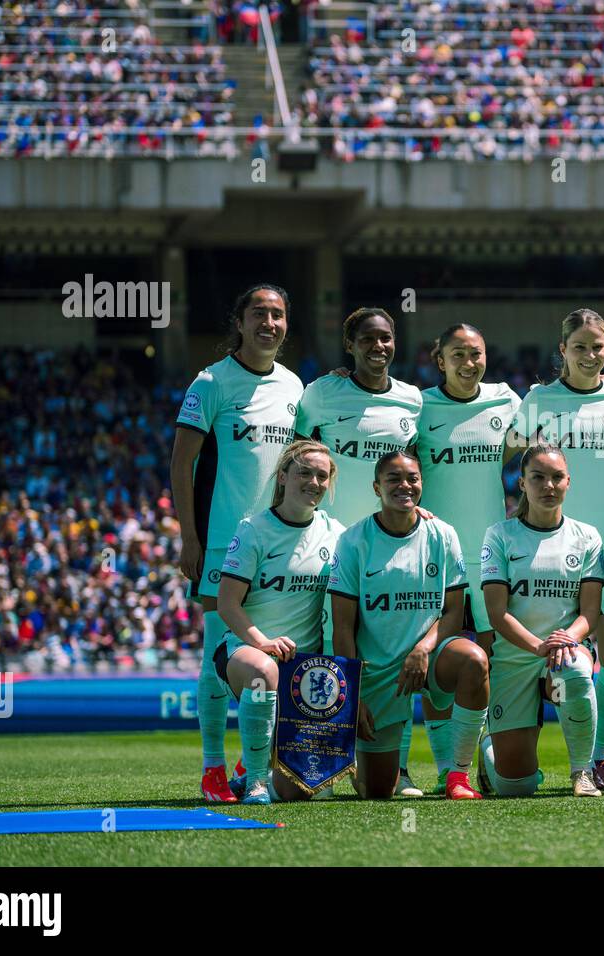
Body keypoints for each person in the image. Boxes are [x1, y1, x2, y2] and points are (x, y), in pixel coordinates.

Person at [171, 284, 302, 803]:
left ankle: (256, 768)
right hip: (223, 544)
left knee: (270, 657)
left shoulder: (297, 387)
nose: (269, 322)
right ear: (240, 322)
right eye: (259, 314)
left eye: (278, 314)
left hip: (282, 545)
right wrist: (188, 535)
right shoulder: (211, 383)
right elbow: (182, 463)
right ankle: (211, 768)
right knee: (213, 657)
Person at [507, 309, 604, 790]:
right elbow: (509, 454)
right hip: (544, 547)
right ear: (562, 350)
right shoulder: (538, 399)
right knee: (535, 656)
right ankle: (499, 748)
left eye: (598, 346)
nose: (590, 355)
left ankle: (599, 761)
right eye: (580, 347)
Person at [296, 307, 426, 795]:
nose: (379, 346)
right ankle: (326, 761)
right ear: (349, 346)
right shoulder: (321, 393)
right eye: (368, 339)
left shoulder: (412, 399)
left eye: (387, 338)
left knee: (394, 653)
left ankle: (401, 768)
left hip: (390, 542)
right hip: (332, 541)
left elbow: (415, 469)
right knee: (331, 649)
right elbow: (298, 455)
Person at [328, 451, 490, 800]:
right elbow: (342, 628)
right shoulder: (354, 541)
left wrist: (422, 648)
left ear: (422, 483)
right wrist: (351, 695)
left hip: (431, 657)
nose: (405, 485)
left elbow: (453, 612)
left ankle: (457, 775)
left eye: (412, 478)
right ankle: (358, 764)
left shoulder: (442, 534)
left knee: (474, 659)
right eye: (393, 479)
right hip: (379, 671)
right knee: (376, 791)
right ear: (377, 487)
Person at [414, 323, 522, 792]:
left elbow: (558, 415)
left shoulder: (507, 401)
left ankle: (481, 758)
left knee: (490, 658)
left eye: (475, 353)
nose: (468, 362)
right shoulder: (418, 406)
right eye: (457, 354)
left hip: (492, 554)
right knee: (442, 658)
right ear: (440, 360)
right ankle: (445, 768)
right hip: (436, 555)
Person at [214, 440, 344, 804]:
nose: (314, 481)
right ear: (283, 476)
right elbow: (226, 603)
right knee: (262, 670)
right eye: (305, 472)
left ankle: (257, 770)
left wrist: (419, 514)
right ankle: (255, 783)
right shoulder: (253, 530)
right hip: (247, 653)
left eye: (322, 475)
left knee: (303, 791)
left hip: (307, 672)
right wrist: (262, 642)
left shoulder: (336, 533)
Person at [477, 444, 604, 798]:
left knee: (575, 670)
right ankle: (490, 754)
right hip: (516, 657)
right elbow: (496, 613)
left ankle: (582, 772)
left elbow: (590, 612)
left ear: (568, 482)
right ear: (522, 483)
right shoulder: (500, 535)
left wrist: (566, 640)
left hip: (562, 657)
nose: (548, 485)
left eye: (557, 477)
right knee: (514, 787)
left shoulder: (587, 536)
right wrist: (538, 646)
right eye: (538, 477)